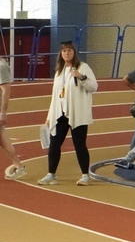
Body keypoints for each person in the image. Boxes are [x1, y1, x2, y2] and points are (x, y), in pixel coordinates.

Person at [39, 41, 98, 186]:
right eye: (64, 51)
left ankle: (85, 175)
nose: (66, 53)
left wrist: (81, 77)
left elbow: (94, 87)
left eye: (69, 50)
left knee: (79, 144)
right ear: (61, 53)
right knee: (54, 144)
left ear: (74, 52)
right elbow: (55, 95)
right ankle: (51, 174)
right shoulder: (59, 71)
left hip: (77, 113)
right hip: (60, 113)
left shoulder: (83, 67)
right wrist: (49, 117)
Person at [0, 57, 27, 180]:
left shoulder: (1, 67)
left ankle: (19, 167)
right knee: (3, 140)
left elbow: (6, 90)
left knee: (3, 139)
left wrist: (3, 112)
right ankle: (19, 167)